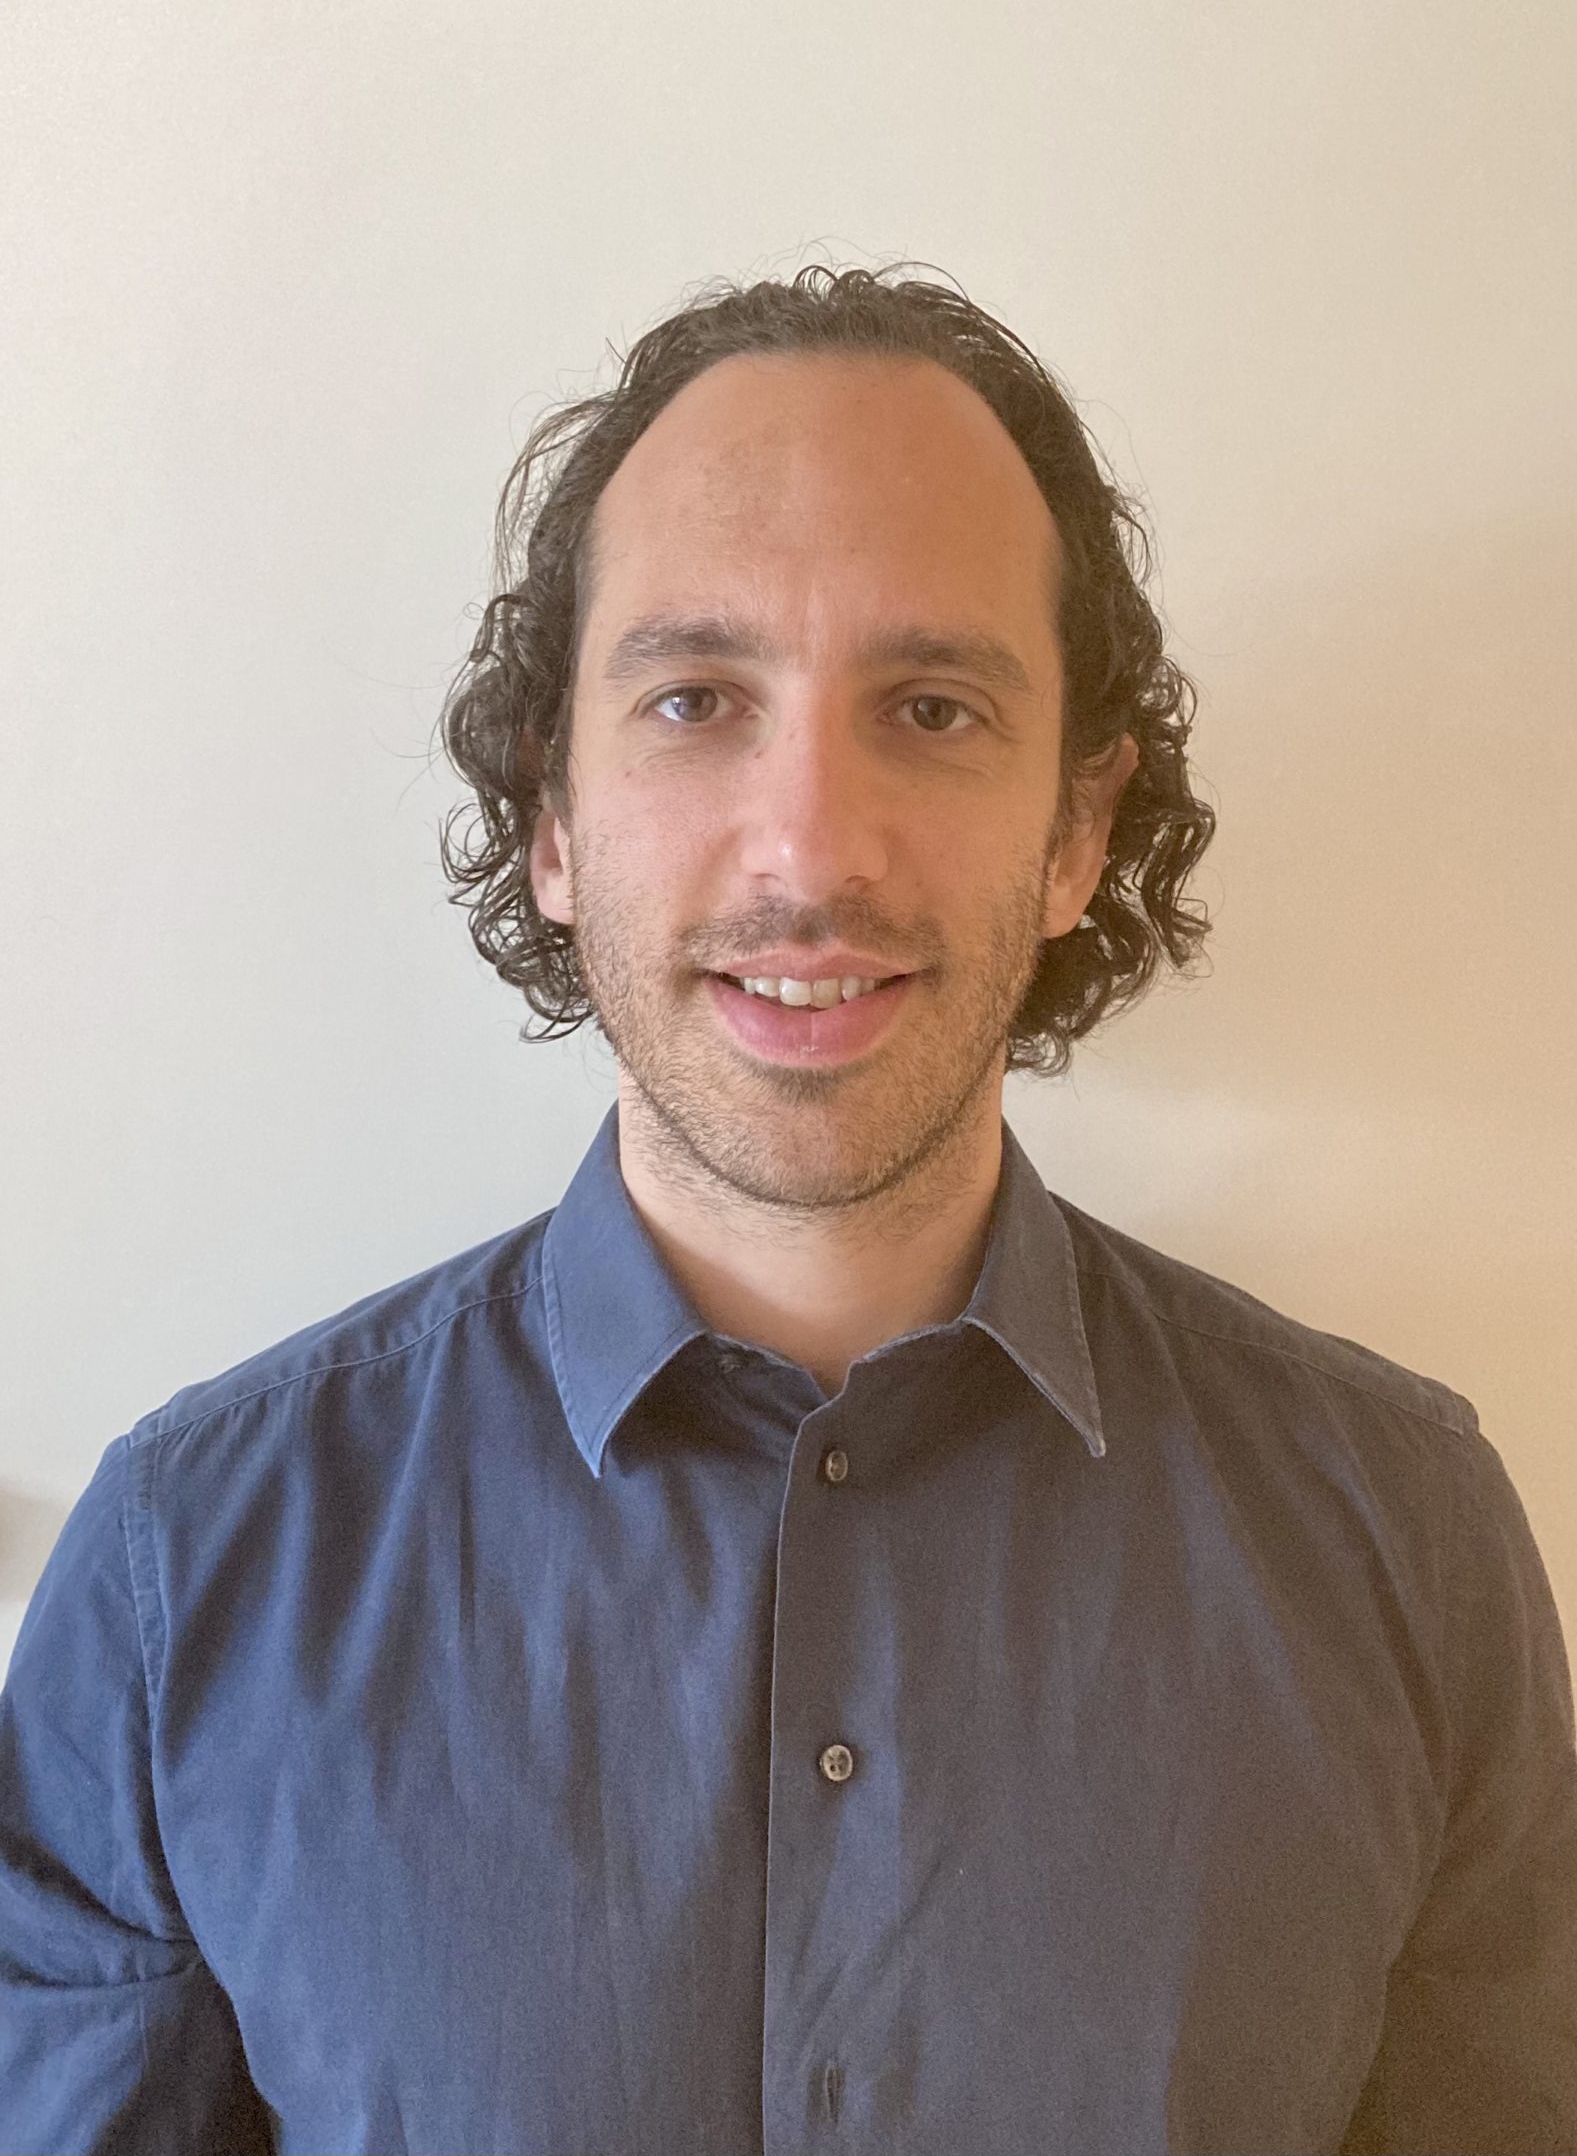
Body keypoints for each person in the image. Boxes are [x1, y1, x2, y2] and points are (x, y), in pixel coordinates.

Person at [2, 264, 1573, 2156]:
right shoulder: (188, 1570)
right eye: (694, 699)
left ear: (1077, 831)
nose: (811, 843)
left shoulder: (1405, 1538)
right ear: (552, 821)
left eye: (931, 706)